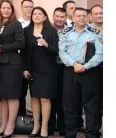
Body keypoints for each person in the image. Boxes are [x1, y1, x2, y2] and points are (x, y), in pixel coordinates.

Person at [58, 8, 102, 138]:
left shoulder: (95, 33)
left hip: (90, 71)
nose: (81, 18)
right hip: (71, 71)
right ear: (74, 18)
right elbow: (62, 52)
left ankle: (92, 134)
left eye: (84, 16)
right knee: (70, 103)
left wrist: (86, 66)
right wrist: (74, 64)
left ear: (88, 18)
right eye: (78, 16)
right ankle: (70, 133)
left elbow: (100, 53)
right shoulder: (66, 32)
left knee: (91, 105)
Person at [22, 7, 59, 138]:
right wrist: (25, 68)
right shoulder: (26, 31)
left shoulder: (51, 31)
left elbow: (56, 50)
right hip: (33, 70)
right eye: (35, 14)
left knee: (44, 98)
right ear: (32, 16)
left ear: (45, 17)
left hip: (48, 70)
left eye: (40, 14)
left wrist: (46, 44)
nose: (37, 16)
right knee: (34, 98)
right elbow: (24, 52)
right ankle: (36, 125)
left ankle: (44, 127)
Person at [0, 0, 25, 138]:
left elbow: (21, 43)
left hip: (12, 64)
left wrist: (2, 48)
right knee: (3, 96)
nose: (6, 10)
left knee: (12, 95)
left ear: (12, 10)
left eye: (8, 8)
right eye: (3, 8)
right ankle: (3, 125)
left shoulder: (16, 24)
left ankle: (11, 126)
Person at [49, 7, 68, 136]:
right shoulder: (48, 30)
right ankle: (50, 128)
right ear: (53, 16)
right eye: (57, 16)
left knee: (64, 99)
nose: (59, 19)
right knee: (50, 97)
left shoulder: (70, 31)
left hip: (65, 69)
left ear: (66, 18)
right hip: (50, 68)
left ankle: (63, 128)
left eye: (62, 17)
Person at [16, 0, 34, 118]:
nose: (28, 9)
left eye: (31, 7)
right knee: (20, 93)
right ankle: (20, 121)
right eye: (26, 7)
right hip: (19, 62)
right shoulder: (17, 23)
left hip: (34, 62)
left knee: (36, 94)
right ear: (21, 8)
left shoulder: (38, 23)